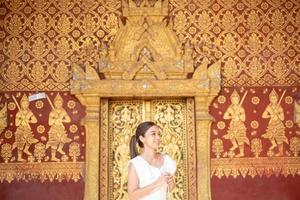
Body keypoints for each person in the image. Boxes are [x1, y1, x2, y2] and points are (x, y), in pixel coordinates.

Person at [127, 121, 176, 200]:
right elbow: (132, 195)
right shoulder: (135, 164)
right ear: (142, 138)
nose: (158, 137)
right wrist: (157, 183)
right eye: (153, 134)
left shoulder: (167, 160)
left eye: (159, 134)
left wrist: (171, 184)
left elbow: (167, 189)